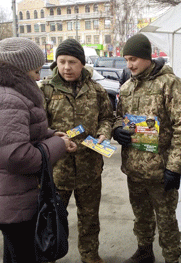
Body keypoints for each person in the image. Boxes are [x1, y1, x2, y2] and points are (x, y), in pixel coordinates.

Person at [0, 37, 76, 263]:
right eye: (35, 71)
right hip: (15, 203)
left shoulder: (6, 93)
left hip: (17, 197)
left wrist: (49, 134)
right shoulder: (4, 98)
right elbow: (18, 157)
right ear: (19, 69)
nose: (38, 77)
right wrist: (59, 144)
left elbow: (20, 132)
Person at [113, 33, 181, 263]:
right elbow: (119, 117)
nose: (130, 64)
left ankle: (171, 258)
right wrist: (117, 129)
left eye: (134, 59)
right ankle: (144, 251)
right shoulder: (128, 86)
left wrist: (175, 167)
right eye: (126, 59)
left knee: (167, 220)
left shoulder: (171, 84)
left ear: (147, 57)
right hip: (134, 168)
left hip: (161, 170)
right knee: (141, 216)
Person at [39, 39, 114, 263]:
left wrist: (104, 133)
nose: (66, 67)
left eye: (72, 62)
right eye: (61, 62)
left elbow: (107, 117)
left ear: (82, 63)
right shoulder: (45, 90)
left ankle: (90, 256)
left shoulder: (96, 90)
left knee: (90, 218)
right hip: (57, 170)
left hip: (89, 167)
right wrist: (55, 136)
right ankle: (47, 255)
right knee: (52, 218)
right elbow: (37, 126)